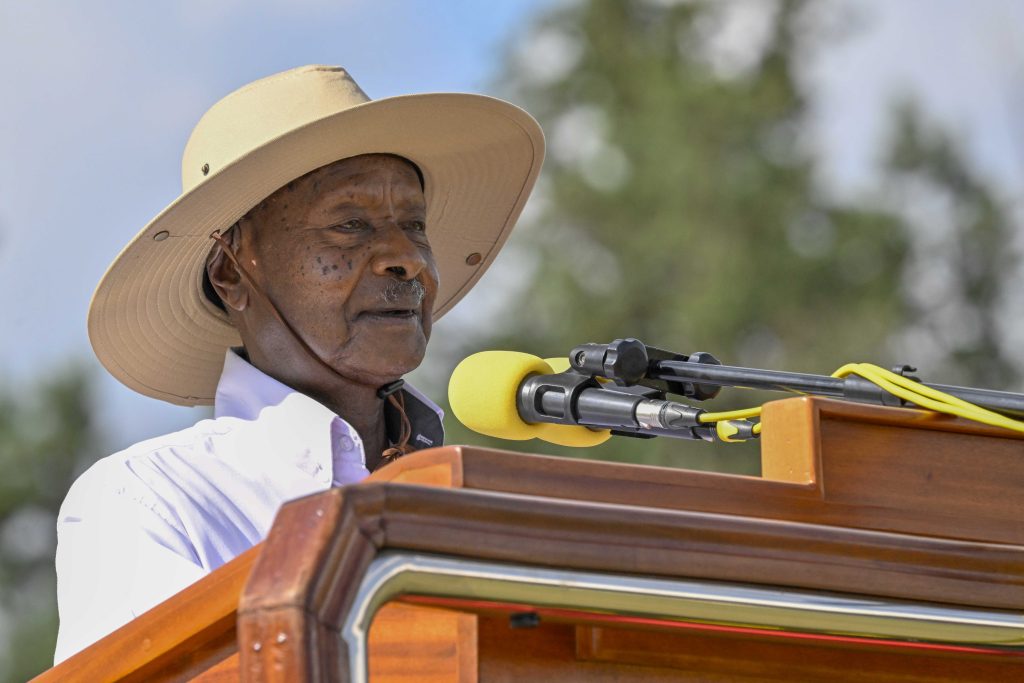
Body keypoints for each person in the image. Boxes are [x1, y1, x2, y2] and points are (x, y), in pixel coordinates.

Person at [53, 65, 544, 663]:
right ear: (231, 272)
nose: (405, 258)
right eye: (350, 225)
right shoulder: (154, 499)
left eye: (414, 225)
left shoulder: (478, 498)